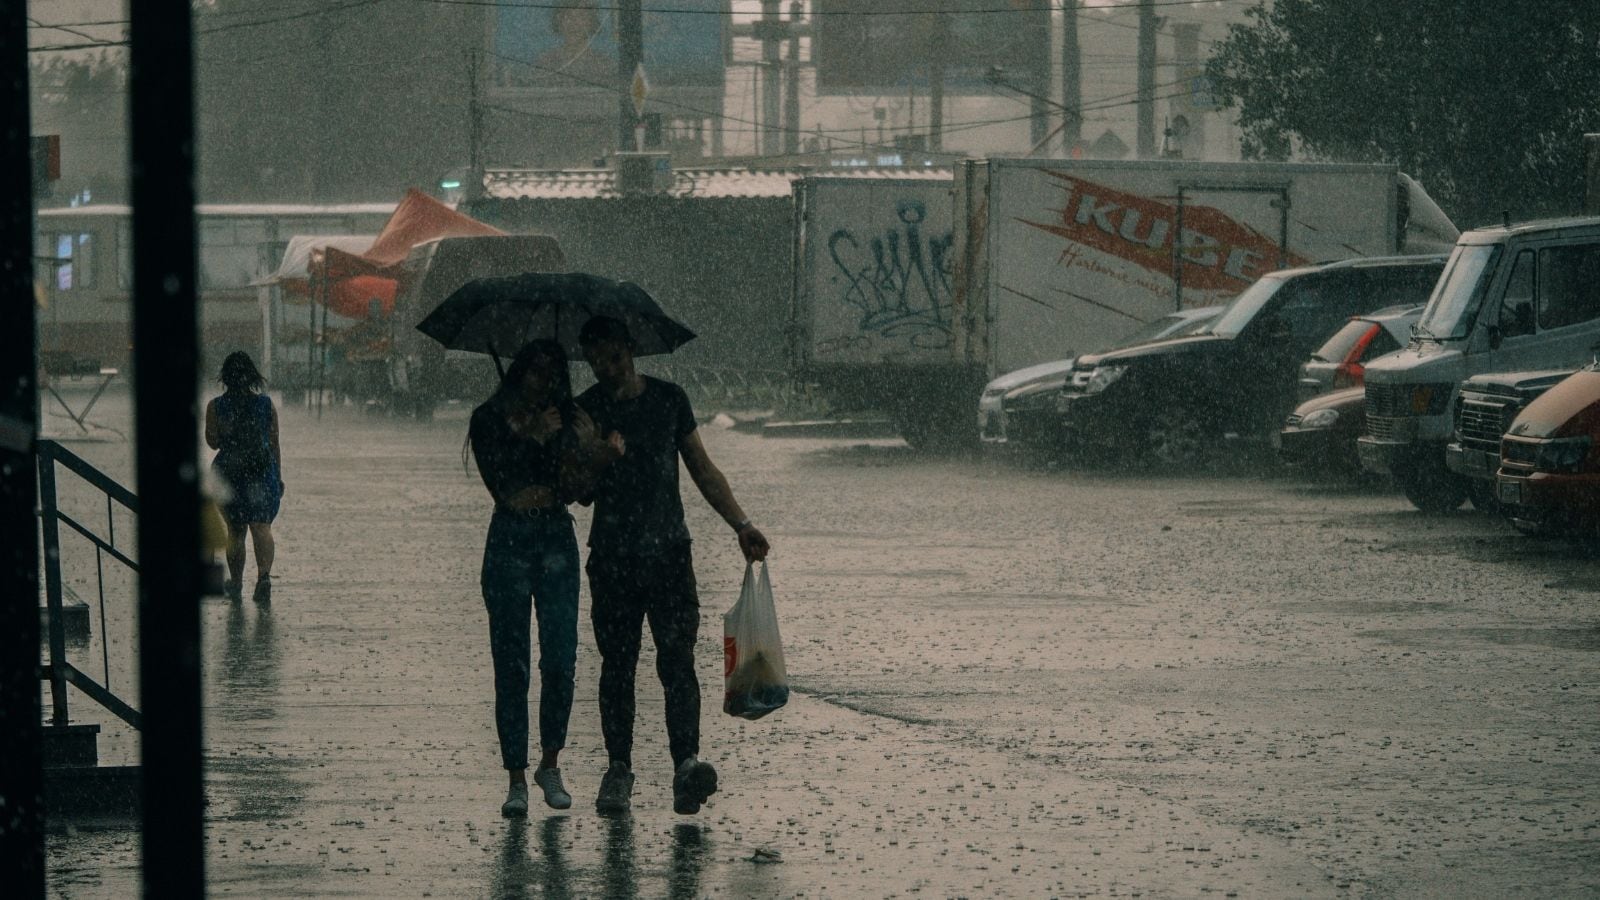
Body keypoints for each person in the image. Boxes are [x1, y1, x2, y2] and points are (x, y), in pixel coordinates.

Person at [571, 315, 771, 816]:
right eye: (596, 362)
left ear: (632, 349)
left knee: (676, 662)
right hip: (613, 558)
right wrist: (599, 455)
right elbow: (578, 492)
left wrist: (740, 523)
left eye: (613, 357)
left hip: (668, 556)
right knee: (617, 667)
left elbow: (701, 467)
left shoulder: (668, 400)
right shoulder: (586, 411)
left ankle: (686, 766)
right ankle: (618, 770)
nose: (606, 369)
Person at [467, 340, 618, 818]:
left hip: (555, 536)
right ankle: (515, 777)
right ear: (517, 372)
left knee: (560, 658)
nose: (542, 381)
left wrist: (594, 452)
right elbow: (499, 482)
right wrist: (529, 433)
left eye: (551, 373)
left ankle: (550, 762)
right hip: (509, 537)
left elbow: (579, 492)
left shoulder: (567, 418)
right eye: (533, 370)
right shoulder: (488, 418)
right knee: (510, 664)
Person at [205, 352, 284, 603]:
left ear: (225, 378)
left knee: (236, 531)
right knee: (261, 526)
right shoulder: (266, 404)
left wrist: (230, 430)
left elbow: (213, 442)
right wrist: (278, 476)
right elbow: (274, 443)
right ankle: (264, 578)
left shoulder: (216, 406)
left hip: (230, 473)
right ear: (252, 376)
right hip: (261, 471)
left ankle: (237, 582)